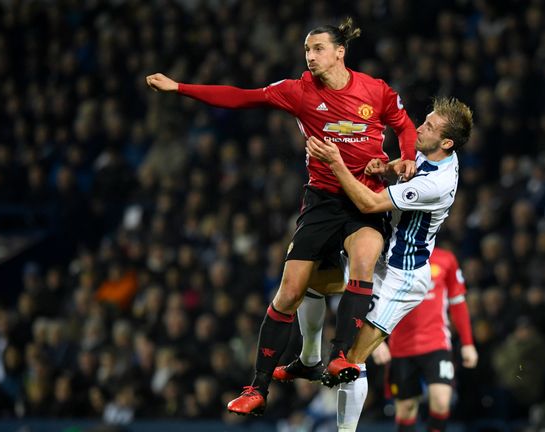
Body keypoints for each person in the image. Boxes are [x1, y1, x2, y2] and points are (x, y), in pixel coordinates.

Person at [146, 17, 418, 417]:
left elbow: (404, 124)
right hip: (323, 200)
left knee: (362, 265)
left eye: (318, 49)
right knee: (290, 291)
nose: (310, 57)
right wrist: (180, 88)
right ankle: (258, 388)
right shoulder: (298, 91)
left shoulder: (374, 90)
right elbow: (240, 97)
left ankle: (341, 356)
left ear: (340, 52)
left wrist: (407, 157)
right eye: (307, 50)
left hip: (365, 198)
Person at [305, 96, 473, 431]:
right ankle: (308, 356)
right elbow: (406, 171)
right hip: (385, 260)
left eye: (428, 126)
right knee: (314, 281)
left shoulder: (436, 184)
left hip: (403, 278)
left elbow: (369, 204)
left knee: (353, 357)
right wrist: (388, 169)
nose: (419, 127)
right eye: (424, 120)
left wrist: (336, 163)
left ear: (447, 142)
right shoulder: (434, 157)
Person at [373, 247, 478, 432]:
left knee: (441, 401)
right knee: (406, 410)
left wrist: (468, 343)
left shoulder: (446, 259)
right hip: (401, 348)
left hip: (436, 344)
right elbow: (372, 299)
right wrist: (375, 341)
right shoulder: (391, 258)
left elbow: (458, 302)